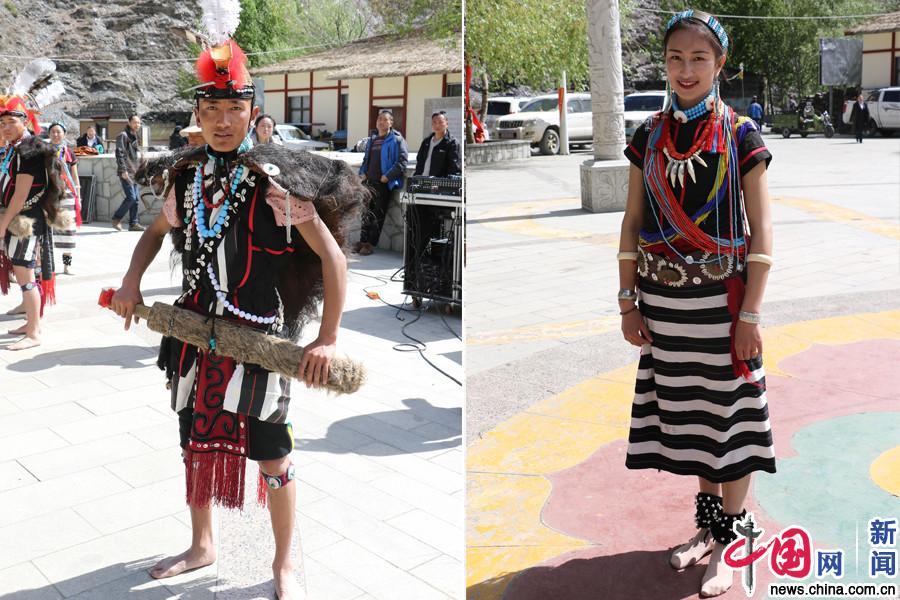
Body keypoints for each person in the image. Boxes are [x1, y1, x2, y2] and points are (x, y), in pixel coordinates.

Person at [109, 24, 364, 600]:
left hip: (258, 343)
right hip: (192, 338)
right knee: (191, 442)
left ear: (252, 110)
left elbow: (333, 260)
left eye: (234, 107)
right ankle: (202, 544)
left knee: (274, 457)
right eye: (212, 107)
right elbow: (153, 235)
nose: (222, 120)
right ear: (198, 111)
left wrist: (326, 338)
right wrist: (130, 281)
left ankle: (284, 567)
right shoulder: (188, 177)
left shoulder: (279, 184)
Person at [619, 9, 775, 597]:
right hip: (664, 309)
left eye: (699, 58)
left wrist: (752, 314)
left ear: (720, 64)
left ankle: (731, 546)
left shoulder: (741, 136)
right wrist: (628, 302)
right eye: (675, 58)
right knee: (697, 428)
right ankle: (709, 531)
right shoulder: (648, 136)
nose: (686, 70)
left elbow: (762, 232)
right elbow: (633, 220)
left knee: (732, 426)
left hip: (724, 308)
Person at [0, 94, 65, 350]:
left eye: (9, 121)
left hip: (26, 218)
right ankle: (30, 322)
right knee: (22, 268)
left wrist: (3, 223)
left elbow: (20, 193)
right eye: (1, 123)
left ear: (24, 121)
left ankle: (34, 332)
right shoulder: (17, 148)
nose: (4, 127)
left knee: (25, 271)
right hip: (19, 216)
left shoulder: (30, 149)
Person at [356, 109, 407, 255]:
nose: (381, 122)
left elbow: (402, 162)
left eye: (385, 119)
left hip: (384, 183)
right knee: (366, 213)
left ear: (391, 122)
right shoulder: (373, 139)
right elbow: (366, 159)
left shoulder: (397, 140)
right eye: (379, 119)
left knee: (378, 215)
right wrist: (362, 173)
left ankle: (370, 244)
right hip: (369, 181)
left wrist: (388, 176)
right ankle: (362, 241)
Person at [47, 123, 81, 275]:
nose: (55, 135)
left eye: (58, 132)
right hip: (49, 194)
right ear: (49, 134)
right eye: (53, 132)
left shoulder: (68, 153)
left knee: (68, 230)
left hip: (67, 193)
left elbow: (74, 175)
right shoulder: (44, 151)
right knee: (48, 230)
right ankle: (48, 264)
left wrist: (78, 195)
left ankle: (67, 265)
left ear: (64, 134)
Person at [111, 114, 145, 232]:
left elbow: (136, 154)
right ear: (129, 122)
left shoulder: (135, 136)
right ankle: (116, 218)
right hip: (126, 171)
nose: (137, 125)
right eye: (135, 122)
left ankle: (133, 223)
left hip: (134, 172)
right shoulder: (123, 135)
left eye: (139, 123)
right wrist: (123, 170)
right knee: (131, 197)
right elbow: (119, 153)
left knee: (135, 199)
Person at [413, 111, 462, 177]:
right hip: (422, 181)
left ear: (446, 123)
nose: (437, 125)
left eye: (440, 122)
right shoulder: (426, 142)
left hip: (439, 183)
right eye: (434, 122)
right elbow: (419, 161)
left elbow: (455, 169)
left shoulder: (453, 143)